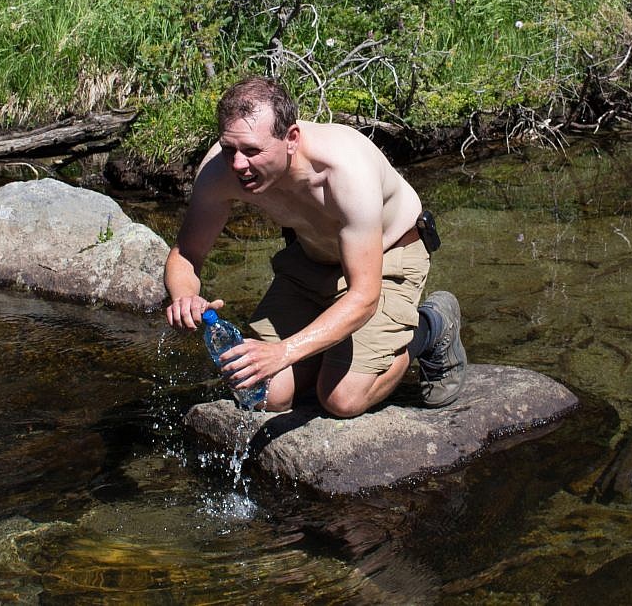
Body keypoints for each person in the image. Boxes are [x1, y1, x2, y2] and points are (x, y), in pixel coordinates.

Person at [164, 76, 467, 417]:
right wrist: (184, 294)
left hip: (388, 255)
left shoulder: (345, 173)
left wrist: (284, 352)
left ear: (291, 138)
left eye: (251, 151)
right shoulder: (221, 170)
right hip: (312, 258)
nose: (237, 165)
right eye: (229, 148)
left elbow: (364, 296)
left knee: (341, 398)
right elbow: (187, 253)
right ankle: (329, 352)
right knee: (262, 394)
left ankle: (432, 324)